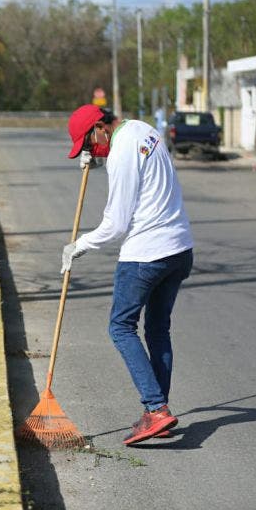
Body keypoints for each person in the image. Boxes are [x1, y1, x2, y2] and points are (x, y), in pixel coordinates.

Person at [61, 104, 194, 445]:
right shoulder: (144, 130)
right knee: (157, 329)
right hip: (179, 249)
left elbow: (116, 224)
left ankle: (156, 408)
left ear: (100, 128)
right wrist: (97, 161)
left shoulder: (120, 151)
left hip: (145, 255)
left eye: (89, 144)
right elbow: (143, 176)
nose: (92, 151)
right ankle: (159, 412)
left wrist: (79, 245)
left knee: (120, 327)